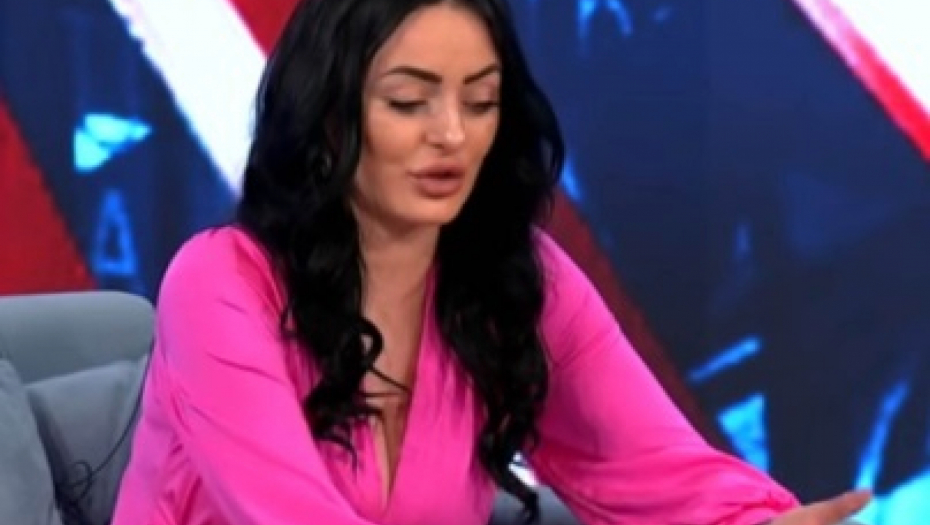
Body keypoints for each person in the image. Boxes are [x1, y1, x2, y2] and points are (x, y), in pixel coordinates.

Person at [111, 0, 872, 524]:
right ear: (329, 116)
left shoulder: (516, 275)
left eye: (480, 102)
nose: (452, 134)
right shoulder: (217, 284)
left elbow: (652, 464)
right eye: (409, 102)